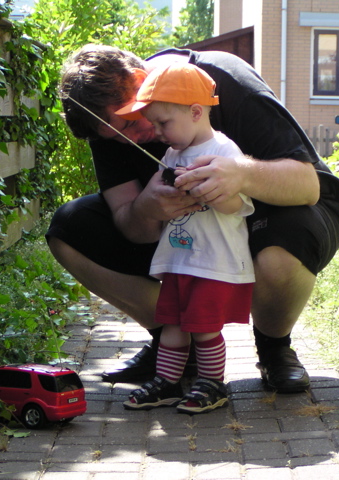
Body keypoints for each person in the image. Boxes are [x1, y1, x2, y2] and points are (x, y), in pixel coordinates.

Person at [49, 44, 339, 393]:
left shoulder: (225, 79)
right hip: (188, 233)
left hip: (286, 212)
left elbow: (307, 186)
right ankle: (176, 343)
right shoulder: (106, 123)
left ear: (139, 79)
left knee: (281, 248)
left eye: (132, 121)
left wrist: (241, 175)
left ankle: (274, 348)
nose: (132, 140)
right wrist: (147, 208)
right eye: (118, 137)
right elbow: (127, 220)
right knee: (68, 228)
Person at [113, 63, 255, 413]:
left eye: (163, 123)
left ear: (195, 112)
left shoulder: (224, 151)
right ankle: (168, 382)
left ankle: (212, 383)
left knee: (204, 328)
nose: (157, 132)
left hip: (213, 259)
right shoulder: (171, 154)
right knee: (172, 324)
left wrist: (212, 192)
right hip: (179, 257)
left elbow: (240, 206)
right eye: (154, 124)